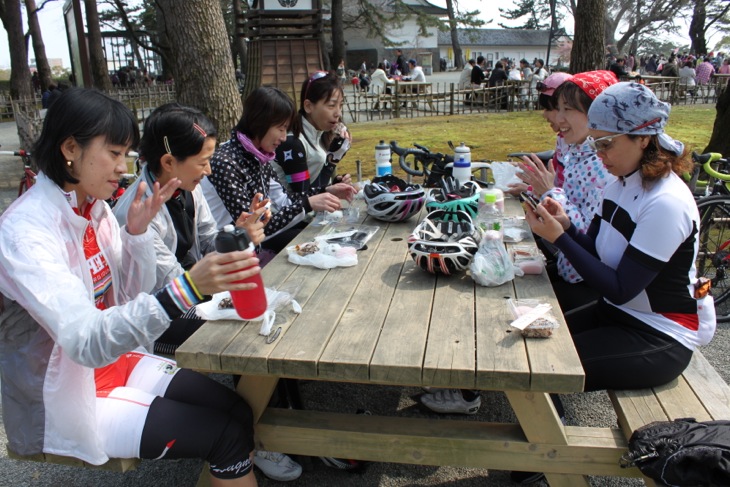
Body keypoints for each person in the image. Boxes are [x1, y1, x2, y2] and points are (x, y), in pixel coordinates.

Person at [0, 88, 262, 486]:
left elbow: (126, 301)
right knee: (225, 435)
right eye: (114, 153)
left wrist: (136, 236)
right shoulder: (26, 232)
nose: (123, 168)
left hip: (119, 363)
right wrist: (189, 287)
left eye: (126, 155)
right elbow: (86, 341)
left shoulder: (97, 210)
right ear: (71, 147)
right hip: (67, 395)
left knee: (238, 412)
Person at [524, 80, 716, 391]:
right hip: (617, 313)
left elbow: (621, 288)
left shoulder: (666, 202)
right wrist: (567, 226)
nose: (599, 154)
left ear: (642, 138)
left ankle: (550, 432)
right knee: (530, 343)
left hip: (659, 334)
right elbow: (598, 251)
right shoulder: (619, 183)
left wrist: (559, 238)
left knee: (545, 363)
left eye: (606, 143)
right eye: (595, 144)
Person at [203, 86, 356, 256]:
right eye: (281, 128)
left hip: (247, 255)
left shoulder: (257, 156)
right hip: (225, 259)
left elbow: (284, 199)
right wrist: (308, 203)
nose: (283, 137)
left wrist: (325, 190)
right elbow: (254, 226)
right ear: (260, 122)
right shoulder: (226, 163)